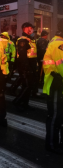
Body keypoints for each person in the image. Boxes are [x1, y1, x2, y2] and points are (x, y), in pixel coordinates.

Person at [43, 19, 63, 155]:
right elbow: (60, 66)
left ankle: (55, 143)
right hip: (56, 85)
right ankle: (51, 144)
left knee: (58, 116)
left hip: (57, 85)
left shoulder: (56, 42)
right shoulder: (59, 44)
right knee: (55, 116)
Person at [13, 22, 37, 111]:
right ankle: (17, 101)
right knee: (27, 86)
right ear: (26, 28)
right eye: (31, 28)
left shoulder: (30, 39)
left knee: (28, 86)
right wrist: (27, 68)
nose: (32, 30)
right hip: (25, 66)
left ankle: (25, 104)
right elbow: (22, 56)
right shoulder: (23, 40)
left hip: (30, 66)